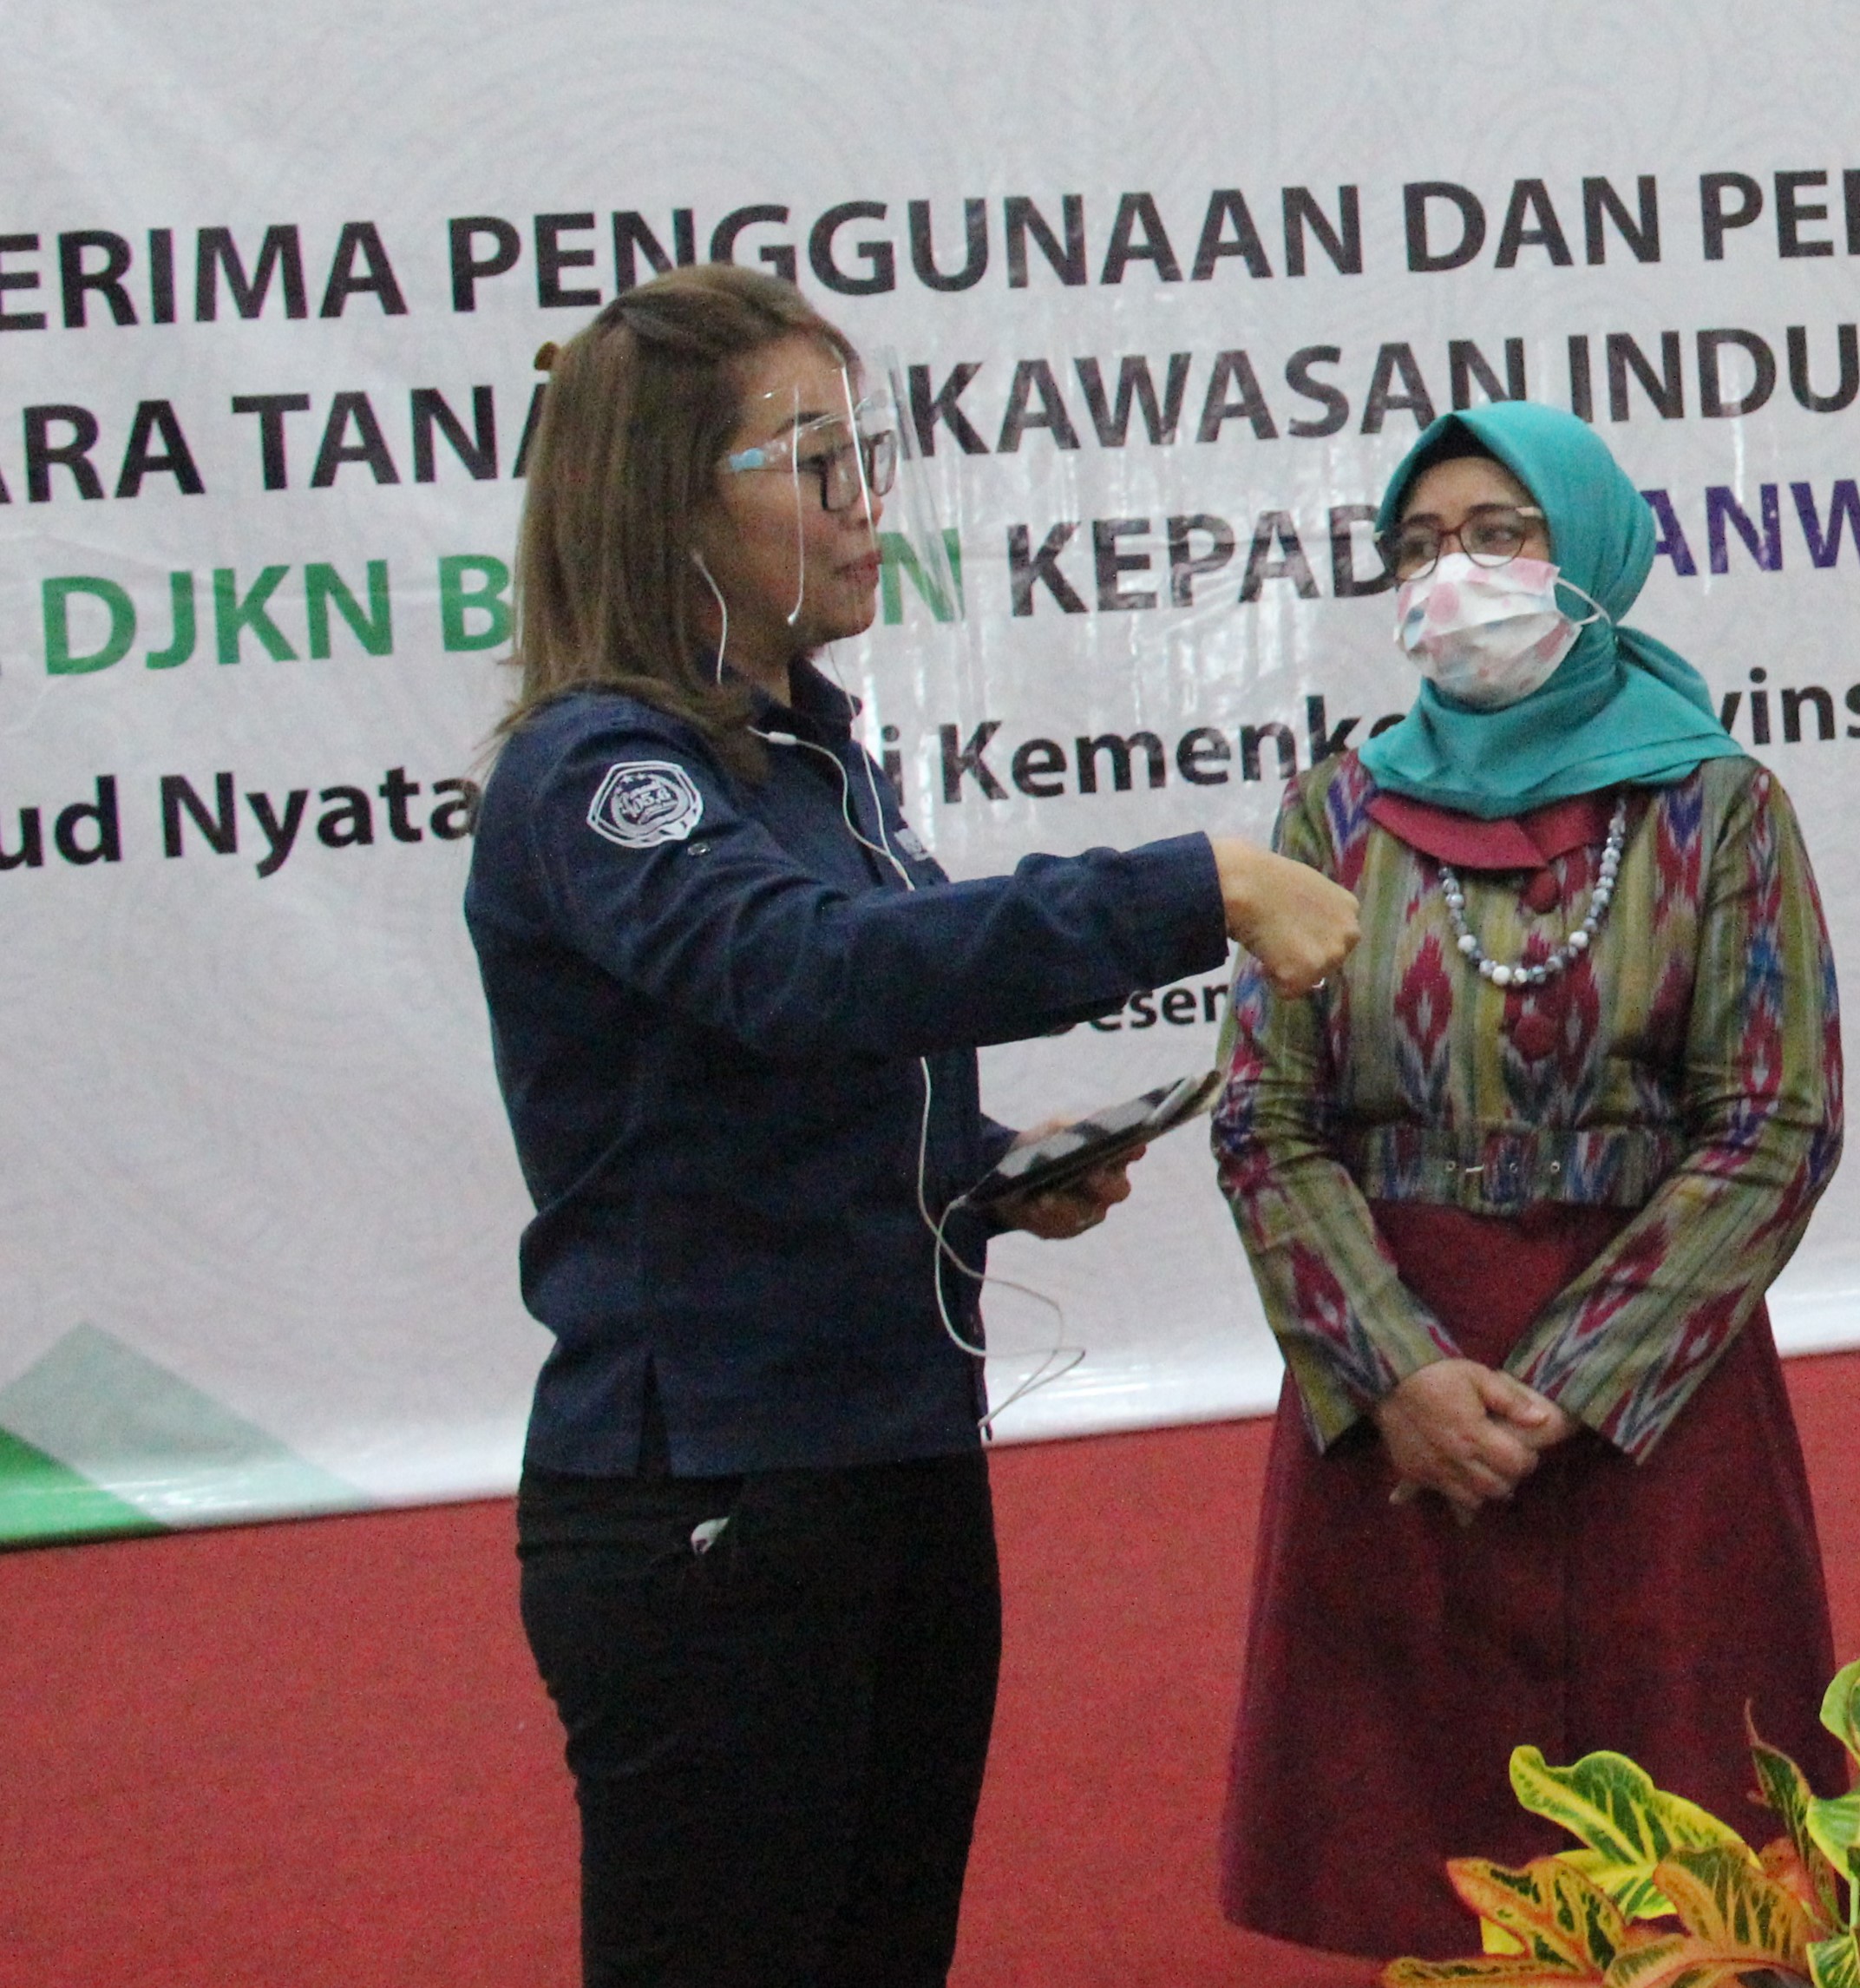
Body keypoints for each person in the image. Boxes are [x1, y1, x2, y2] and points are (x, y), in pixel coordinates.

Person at [468, 264, 1361, 1988]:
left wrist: (978, 1173)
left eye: (866, 454)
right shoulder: (600, 772)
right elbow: (804, 975)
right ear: (670, 507)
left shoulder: (810, 760)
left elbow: (778, 1086)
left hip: (889, 1457)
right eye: (815, 463)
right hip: (712, 1490)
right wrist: (1191, 888)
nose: (867, 504)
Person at [1208, 400, 1847, 1960]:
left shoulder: (1717, 806)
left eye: (1500, 536)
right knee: (1420, 1874)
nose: (1455, 577)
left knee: (1689, 1883)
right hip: (1400, 1409)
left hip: (1650, 1413)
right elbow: (1263, 1120)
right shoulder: (1331, 814)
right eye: (1419, 547)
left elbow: (1774, 1122)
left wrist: (1568, 1382)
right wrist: (1402, 1377)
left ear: (1593, 556)